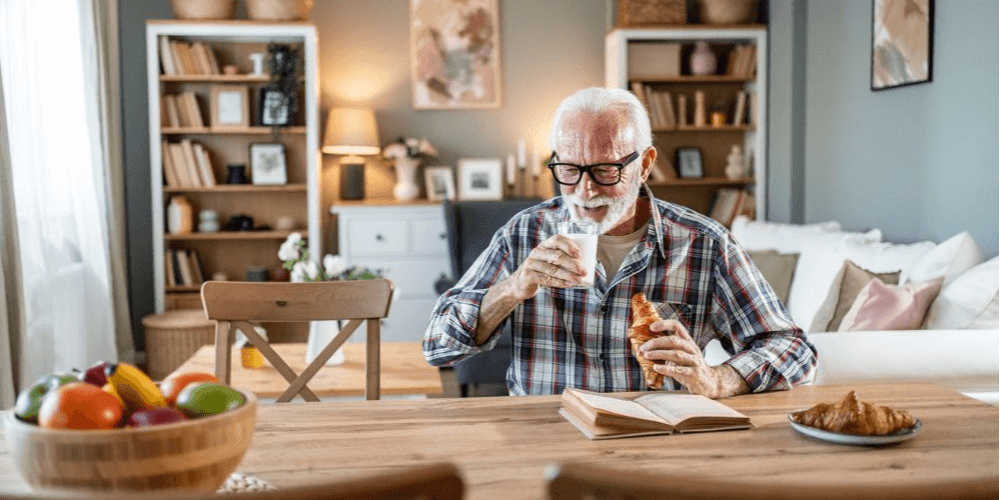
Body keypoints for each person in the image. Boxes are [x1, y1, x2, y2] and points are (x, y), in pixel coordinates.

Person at [423, 87, 817, 397]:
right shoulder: (524, 233)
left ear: (644, 165)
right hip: (544, 435)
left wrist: (717, 379)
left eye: (606, 169)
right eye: (569, 169)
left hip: (656, 440)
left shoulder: (704, 244)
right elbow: (438, 346)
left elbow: (793, 350)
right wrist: (512, 289)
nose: (584, 189)